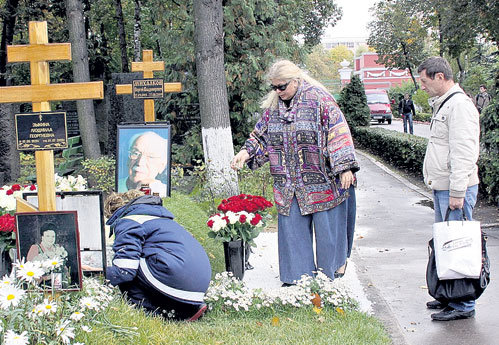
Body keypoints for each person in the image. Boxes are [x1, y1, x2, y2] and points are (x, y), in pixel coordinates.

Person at [231, 59, 359, 286]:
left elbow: (338, 131)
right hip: (287, 181)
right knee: (292, 230)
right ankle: (297, 278)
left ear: (297, 80)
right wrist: (245, 153)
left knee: (327, 232)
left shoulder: (320, 99)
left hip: (322, 180)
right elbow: (260, 136)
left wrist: (345, 167)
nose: (278, 91)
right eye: (274, 87)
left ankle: (328, 274)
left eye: (282, 86)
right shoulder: (274, 108)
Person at [418, 57, 480, 321]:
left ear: (440, 77)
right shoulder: (446, 104)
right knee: (448, 246)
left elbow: (464, 152)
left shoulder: (459, 106)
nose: (422, 87)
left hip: (455, 190)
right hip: (445, 188)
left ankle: (463, 304)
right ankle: (449, 297)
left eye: (424, 81)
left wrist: (457, 191)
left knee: (459, 247)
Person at [104, 190, 211, 321]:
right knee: (145, 262)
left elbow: (124, 270)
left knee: (128, 267)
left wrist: (95, 275)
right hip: (199, 284)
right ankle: (184, 308)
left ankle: (149, 313)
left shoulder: (129, 220)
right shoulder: (162, 218)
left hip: (175, 275)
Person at [118, 131, 168, 197]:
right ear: (128, 160)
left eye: (150, 157)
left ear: (162, 166)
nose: (140, 162)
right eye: (135, 153)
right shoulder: (114, 190)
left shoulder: (164, 193)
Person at [26, 223, 70, 288]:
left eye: (53, 236)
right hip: (41, 287)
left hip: (58, 285)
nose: (51, 239)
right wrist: (47, 277)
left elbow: (64, 268)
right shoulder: (35, 248)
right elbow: (30, 272)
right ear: (42, 237)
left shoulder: (58, 249)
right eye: (48, 236)